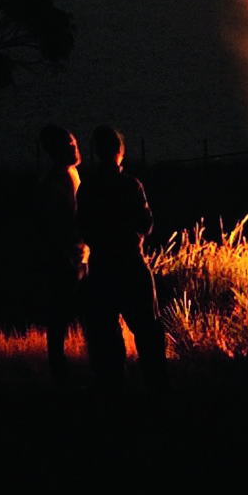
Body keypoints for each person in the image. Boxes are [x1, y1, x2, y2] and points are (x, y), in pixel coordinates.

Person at [75, 125, 165, 382]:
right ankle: (156, 383)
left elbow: (84, 228)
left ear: (96, 152)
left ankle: (113, 386)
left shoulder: (88, 188)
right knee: (148, 328)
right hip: (130, 263)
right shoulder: (130, 185)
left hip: (102, 266)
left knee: (106, 331)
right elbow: (146, 224)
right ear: (120, 152)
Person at [35, 122, 84, 373]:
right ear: (53, 151)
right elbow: (46, 225)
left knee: (79, 313)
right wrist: (62, 256)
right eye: (67, 145)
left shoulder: (72, 174)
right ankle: (59, 369)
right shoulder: (53, 181)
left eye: (74, 143)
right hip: (64, 260)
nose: (74, 149)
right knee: (59, 317)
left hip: (79, 257)